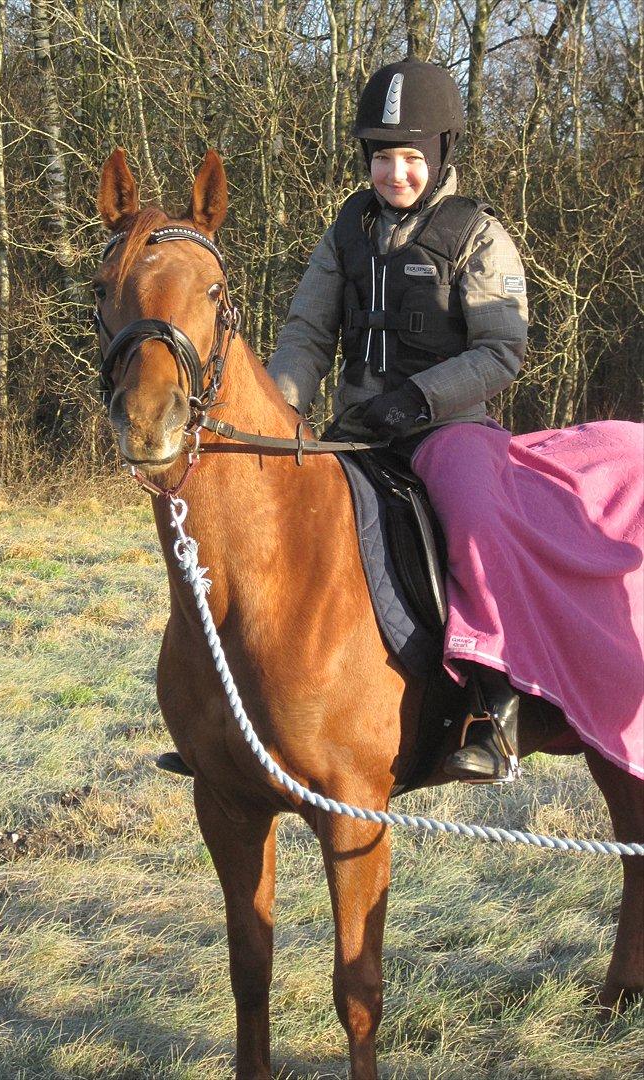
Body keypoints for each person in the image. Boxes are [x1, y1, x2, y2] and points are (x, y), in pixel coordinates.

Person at [158, 56, 530, 784]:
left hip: (449, 431)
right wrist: (284, 412)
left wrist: (417, 400)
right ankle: (231, 720)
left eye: (410, 159)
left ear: (440, 155)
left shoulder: (477, 237)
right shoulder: (347, 232)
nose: (396, 174)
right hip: (353, 431)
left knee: (478, 518)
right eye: (383, 158)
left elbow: (500, 352)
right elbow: (305, 331)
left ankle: (492, 703)